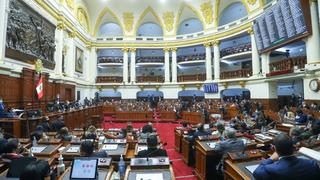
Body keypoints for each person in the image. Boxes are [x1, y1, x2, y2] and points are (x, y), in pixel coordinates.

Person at [253, 134, 320, 180]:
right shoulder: (312, 164)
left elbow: (256, 173)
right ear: (293, 147)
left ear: (274, 148)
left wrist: (270, 159)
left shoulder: (271, 169)